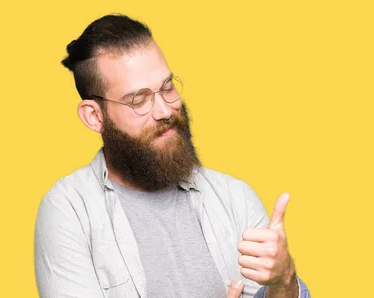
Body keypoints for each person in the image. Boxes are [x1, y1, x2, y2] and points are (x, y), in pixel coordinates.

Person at [34, 13, 310, 298]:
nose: (165, 110)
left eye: (167, 87)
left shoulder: (235, 198)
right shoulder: (68, 211)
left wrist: (284, 282)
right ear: (94, 116)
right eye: (138, 100)